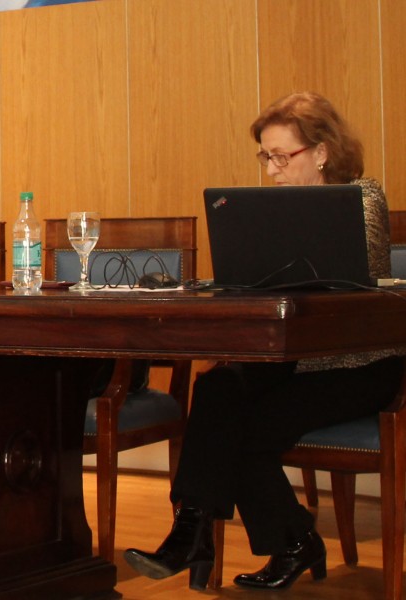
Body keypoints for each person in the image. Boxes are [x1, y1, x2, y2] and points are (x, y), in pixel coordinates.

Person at [123, 91, 403, 591]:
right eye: (265, 157)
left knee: (247, 429)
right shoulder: (274, 208)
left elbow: (359, 275)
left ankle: (294, 542)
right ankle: (192, 527)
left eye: (281, 157)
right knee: (216, 388)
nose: (271, 170)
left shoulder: (364, 197)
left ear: (321, 152)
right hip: (295, 356)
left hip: (361, 363)